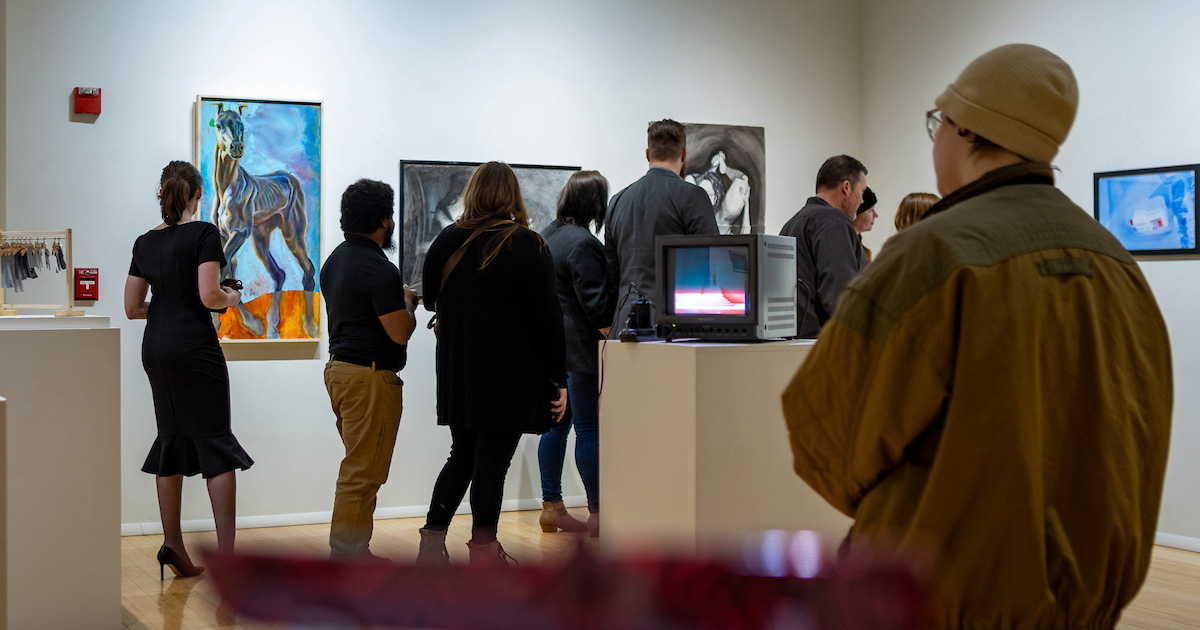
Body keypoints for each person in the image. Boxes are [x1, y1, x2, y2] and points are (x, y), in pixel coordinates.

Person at [781, 44, 1172, 629]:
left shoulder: (931, 257)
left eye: (936, 123)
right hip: (1085, 610)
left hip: (934, 600)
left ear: (964, 129)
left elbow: (823, 432)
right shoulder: (1119, 266)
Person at [418, 162, 568, 566]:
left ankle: (431, 543)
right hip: (510, 373)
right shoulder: (528, 244)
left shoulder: (446, 240)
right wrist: (558, 378)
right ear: (511, 195)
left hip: (459, 370)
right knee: (492, 462)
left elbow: (431, 300)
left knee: (462, 455)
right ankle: (483, 550)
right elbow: (548, 320)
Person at [124, 160, 254, 579]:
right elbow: (209, 295)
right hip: (194, 348)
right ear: (199, 194)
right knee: (215, 443)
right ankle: (228, 559)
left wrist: (165, 308)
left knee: (172, 440)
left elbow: (131, 308)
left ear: (162, 193)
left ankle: (173, 546)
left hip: (156, 349)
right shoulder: (203, 233)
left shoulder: (144, 242)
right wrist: (232, 298)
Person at [320, 179, 419, 561]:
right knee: (362, 474)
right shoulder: (380, 269)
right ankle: (347, 557)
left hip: (340, 372)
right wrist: (408, 302)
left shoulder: (336, 259)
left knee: (362, 468)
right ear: (384, 220)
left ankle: (354, 551)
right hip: (369, 378)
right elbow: (399, 333)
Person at [538, 171, 614, 538]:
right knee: (589, 431)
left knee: (556, 427)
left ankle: (551, 507)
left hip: (550, 352)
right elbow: (596, 308)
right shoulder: (583, 243)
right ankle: (599, 514)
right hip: (581, 354)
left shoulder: (546, 236)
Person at [605, 119, 718, 331]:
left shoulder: (617, 201)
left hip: (624, 326)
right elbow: (712, 262)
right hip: (675, 327)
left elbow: (612, 273)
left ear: (648, 154)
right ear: (684, 155)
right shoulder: (692, 196)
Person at [779, 155, 869, 337]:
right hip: (824, 343)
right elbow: (840, 295)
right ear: (847, 187)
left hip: (795, 342)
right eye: (862, 192)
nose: (861, 201)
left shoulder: (794, 223)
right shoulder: (833, 222)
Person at [851, 187, 878, 262]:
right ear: (855, 214)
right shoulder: (842, 248)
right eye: (871, 210)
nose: (876, 215)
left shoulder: (859, 249)